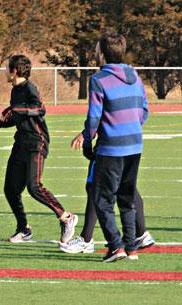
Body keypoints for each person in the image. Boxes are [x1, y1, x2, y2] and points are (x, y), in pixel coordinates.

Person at [0, 54, 78, 243]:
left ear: (15, 70)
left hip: (37, 142)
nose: (4, 72)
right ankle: (23, 229)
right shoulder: (15, 90)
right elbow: (16, 116)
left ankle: (66, 217)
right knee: (10, 189)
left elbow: (39, 108)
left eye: (7, 68)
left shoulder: (29, 87)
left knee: (34, 186)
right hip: (21, 142)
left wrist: (15, 109)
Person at [81, 32, 149, 262]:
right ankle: (131, 248)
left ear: (102, 52)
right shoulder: (135, 76)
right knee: (127, 197)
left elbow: (94, 116)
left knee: (101, 198)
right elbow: (144, 110)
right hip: (134, 144)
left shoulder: (99, 79)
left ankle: (115, 246)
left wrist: (87, 138)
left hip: (111, 147)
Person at [59, 132, 155, 254]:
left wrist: (86, 136)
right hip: (132, 141)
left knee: (94, 185)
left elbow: (97, 116)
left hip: (111, 143)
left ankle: (86, 239)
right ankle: (142, 234)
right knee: (125, 185)